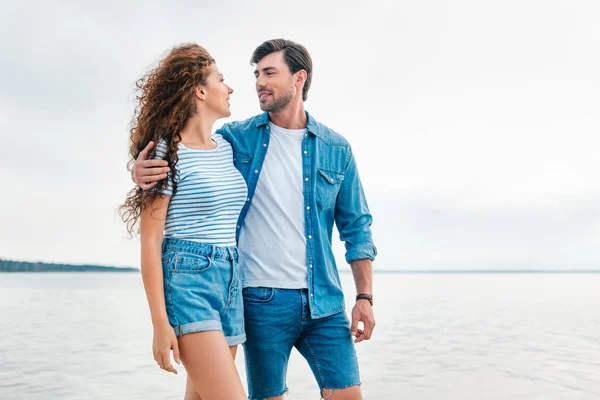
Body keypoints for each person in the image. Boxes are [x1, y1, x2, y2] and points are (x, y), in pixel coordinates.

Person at [134, 39, 377, 400]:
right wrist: (139, 171)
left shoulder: (334, 148)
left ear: (299, 79)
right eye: (256, 74)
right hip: (253, 296)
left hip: (317, 298)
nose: (257, 82)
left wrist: (364, 296)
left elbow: (356, 227)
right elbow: (182, 153)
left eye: (269, 73)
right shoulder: (237, 138)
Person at [120, 43, 248, 400]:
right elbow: (150, 240)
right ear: (200, 90)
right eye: (222, 79)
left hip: (232, 279)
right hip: (188, 278)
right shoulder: (166, 151)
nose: (231, 88)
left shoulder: (228, 146)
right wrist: (160, 323)